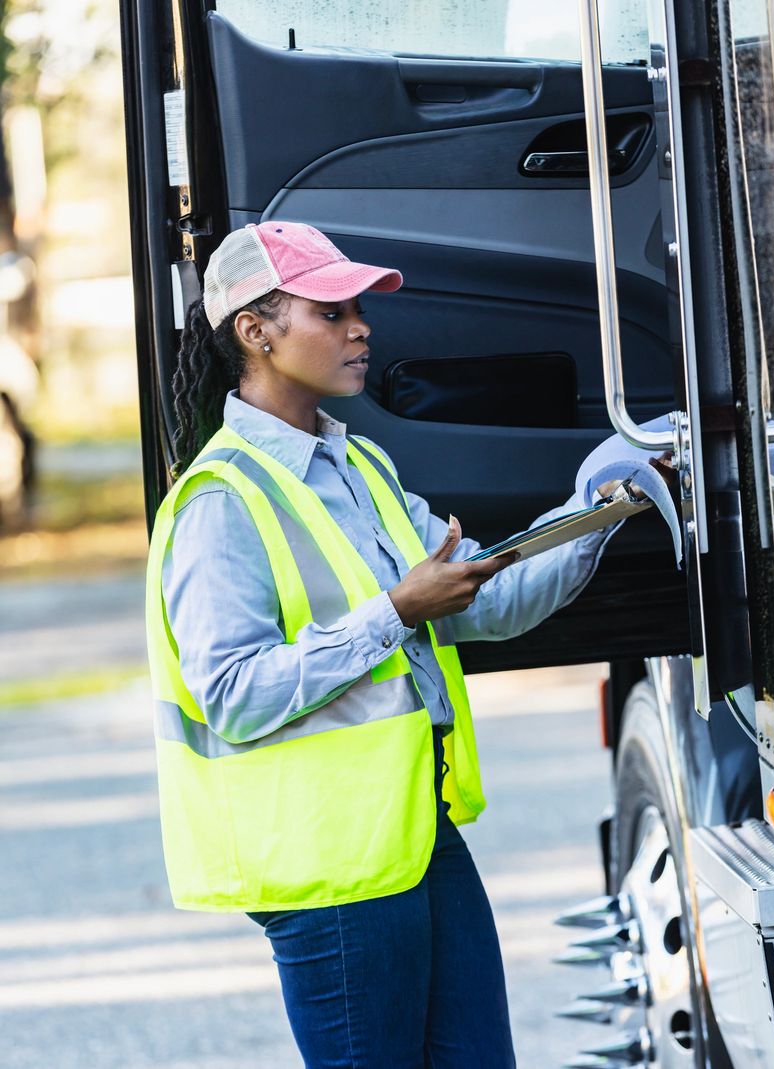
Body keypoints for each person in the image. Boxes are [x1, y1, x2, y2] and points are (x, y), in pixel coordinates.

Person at [145, 220, 629, 1068]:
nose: (360, 326)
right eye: (331, 310)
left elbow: (484, 603)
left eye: (358, 308)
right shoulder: (218, 502)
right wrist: (395, 612)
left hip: (416, 834)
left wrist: (602, 502)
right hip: (329, 868)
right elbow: (233, 693)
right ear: (254, 331)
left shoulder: (360, 464)